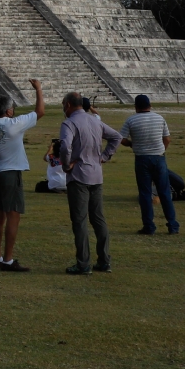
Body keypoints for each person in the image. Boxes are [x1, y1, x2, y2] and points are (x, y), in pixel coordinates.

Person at [0, 80, 44, 271]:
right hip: (10, 173)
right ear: (8, 111)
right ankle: (8, 260)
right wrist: (39, 89)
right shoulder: (13, 125)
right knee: (13, 215)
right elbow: (39, 112)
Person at [59, 91, 121, 274]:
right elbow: (116, 137)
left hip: (78, 176)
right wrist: (103, 156)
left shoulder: (69, 123)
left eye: (63, 104)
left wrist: (66, 165)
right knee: (98, 219)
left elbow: (64, 146)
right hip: (96, 174)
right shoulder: (95, 120)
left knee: (80, 221)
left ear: (68, 105)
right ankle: (104, 260)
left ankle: (83, 263)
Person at [121, 94, 179, 235]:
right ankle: (172, 226)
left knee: (145, 193)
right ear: (150, 106)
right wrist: (161, 150)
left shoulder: (131, 120)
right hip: (159, 158)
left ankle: (149, 226)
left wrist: (132, 144)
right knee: (164, 192)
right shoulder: (159, 118)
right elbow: (167, 139)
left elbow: (121, 139)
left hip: (141, 158)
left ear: (136, 107)